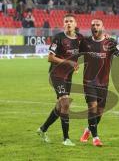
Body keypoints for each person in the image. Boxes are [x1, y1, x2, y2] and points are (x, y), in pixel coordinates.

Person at [79, 18, 119, 147]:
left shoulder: (110, 42)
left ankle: (88, 130)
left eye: (97, 24)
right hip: (89, 81)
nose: (95, 26)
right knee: (92, 108)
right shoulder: (85, 42)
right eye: (93, 24)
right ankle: (96, 138)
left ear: (102, 27)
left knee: (99, 111)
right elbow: (75, 52)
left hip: (103, 82)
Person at [37, 14, 83, 146]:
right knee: (65, 104)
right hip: (56, 74)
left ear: (75, 24)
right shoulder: (59, 37)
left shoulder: (79, 38)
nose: (68, 23)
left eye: (71, 21)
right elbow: (50, 58)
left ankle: (43, 129)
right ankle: (66, 139)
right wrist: (68, 62)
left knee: (60, 106)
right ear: (64, 24)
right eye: (66, 21)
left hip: (68, 76)